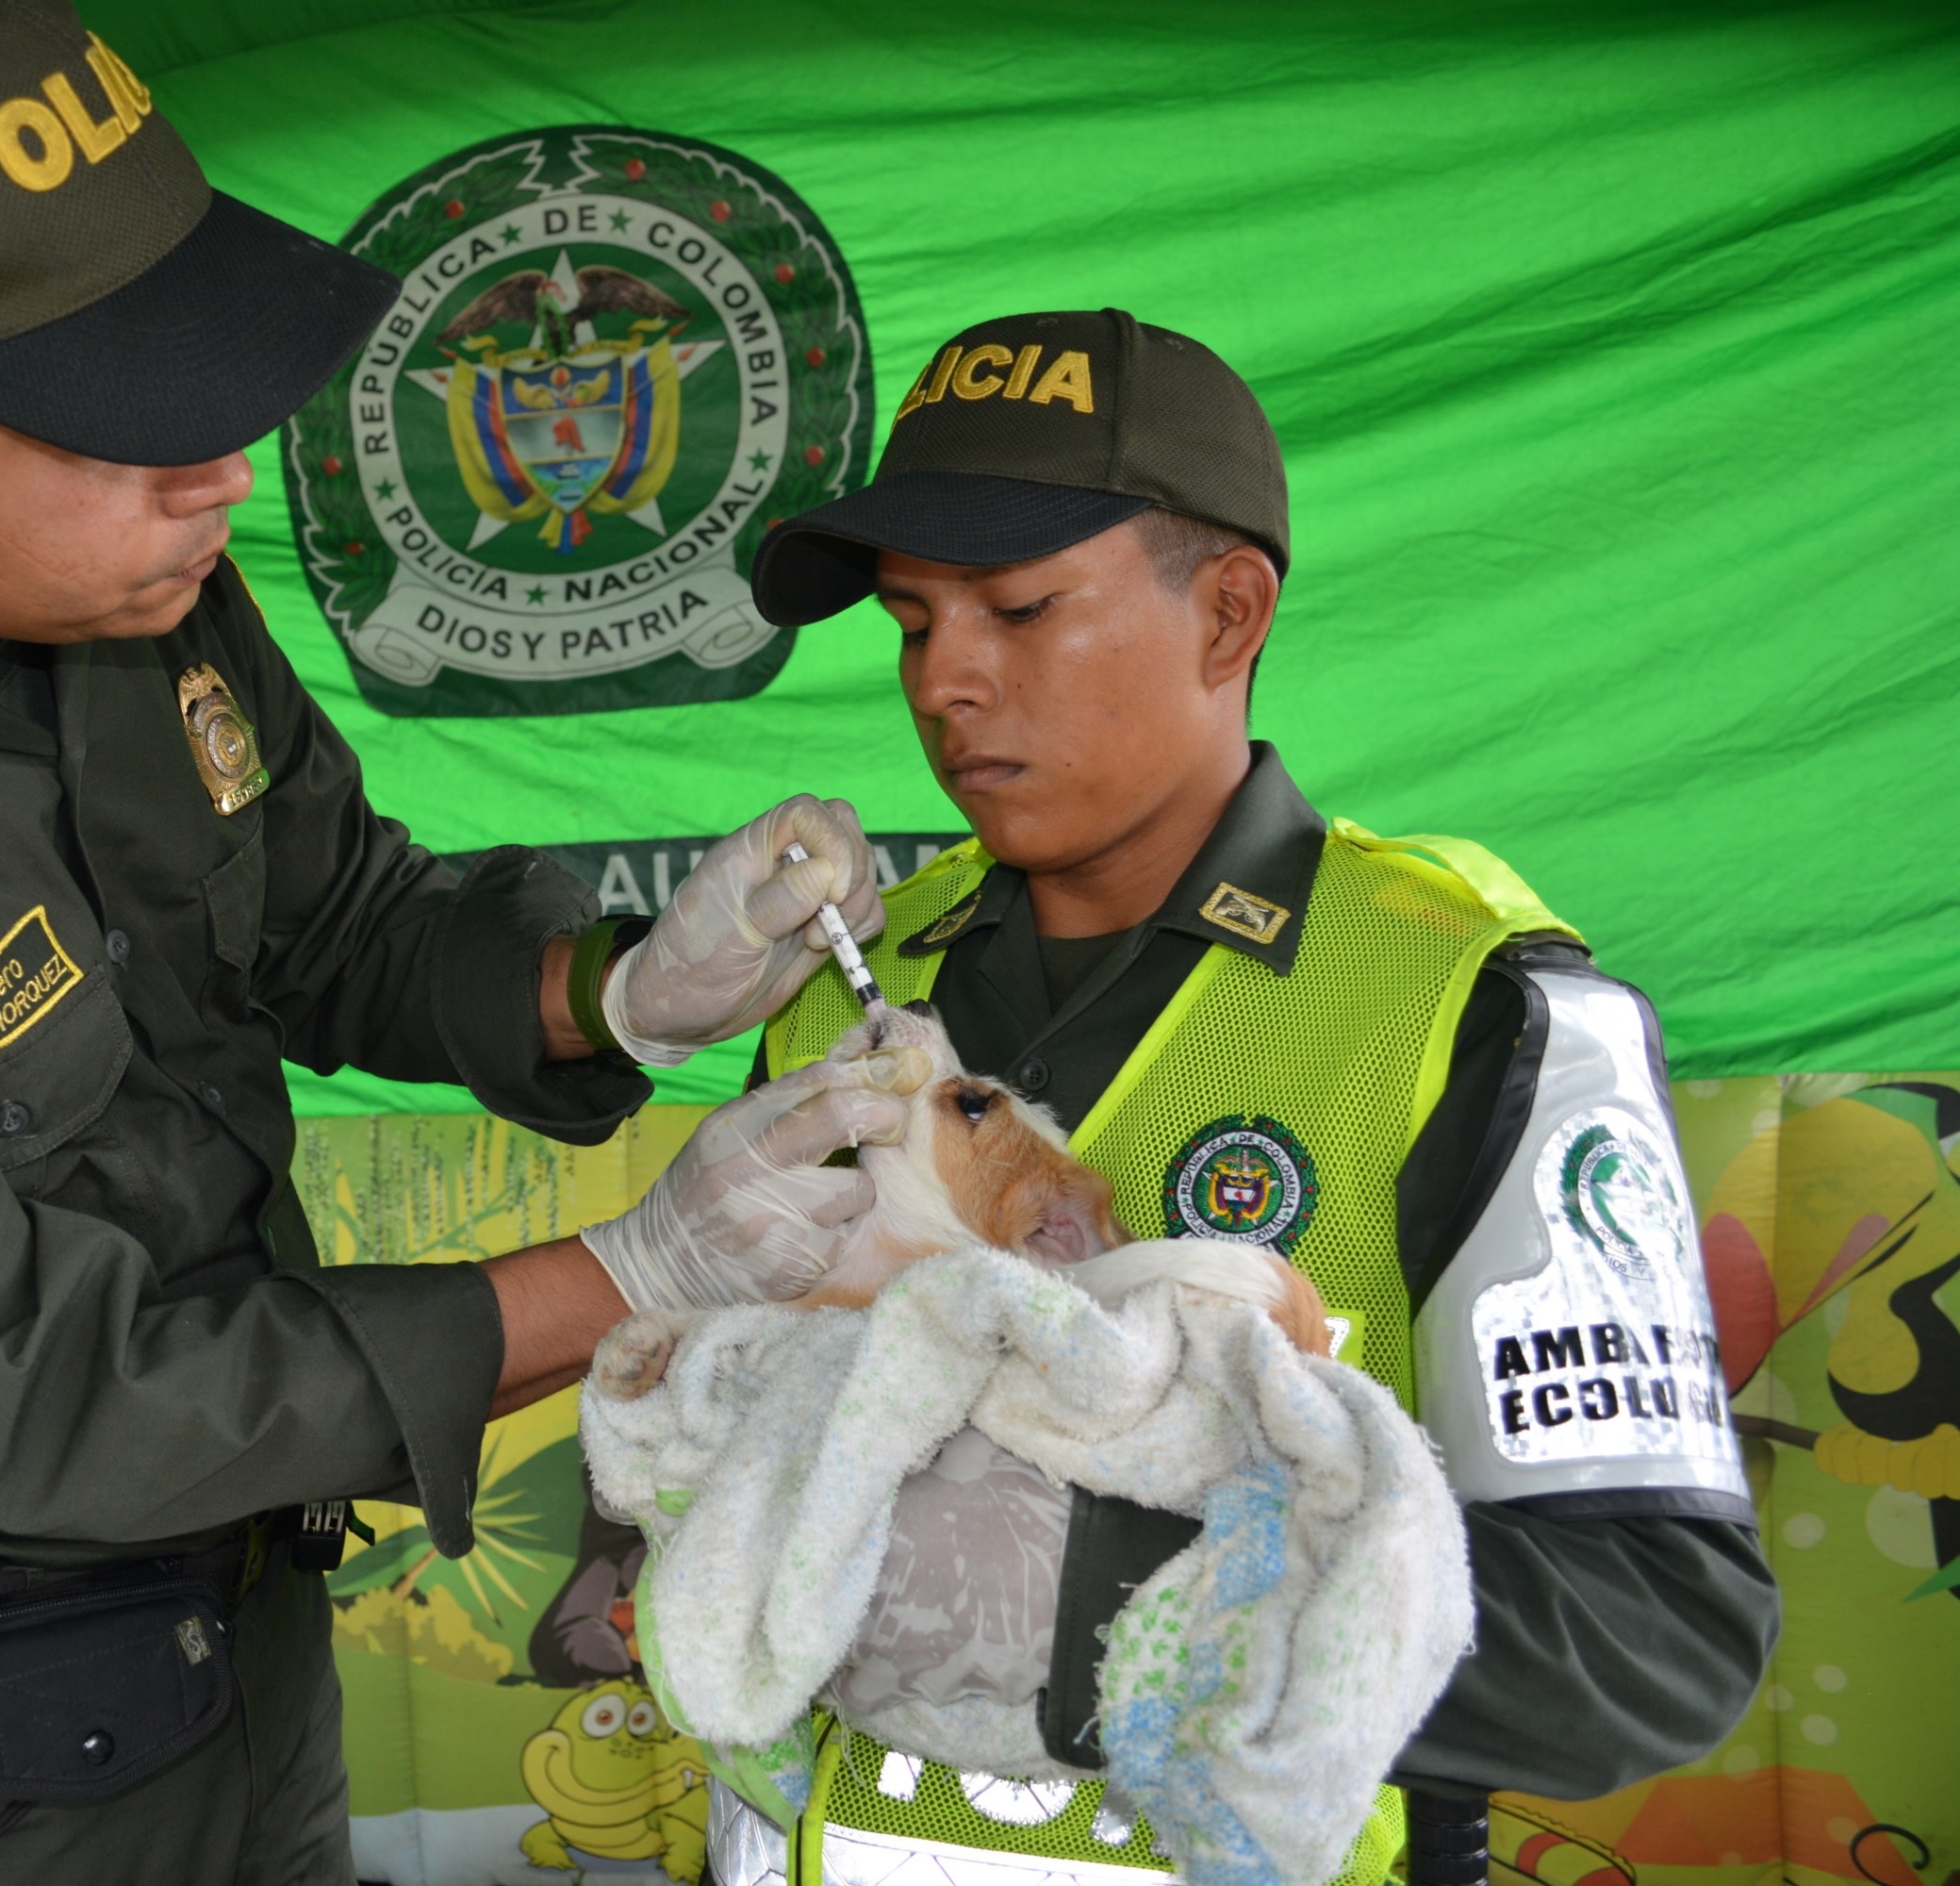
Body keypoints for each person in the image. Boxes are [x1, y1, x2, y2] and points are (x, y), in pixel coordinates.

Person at [0, 4, 914, 1879]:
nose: (222, 468)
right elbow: (56, 1388)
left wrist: (608, 981)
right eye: (124, 424)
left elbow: (331, 912)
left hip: (248, 1650)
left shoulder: (124, 590)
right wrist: (645, 1264)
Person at [706, 309, 1779, 1885]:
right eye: (912, 622)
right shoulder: (839, 995)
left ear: (1228, 612)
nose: (947, 681)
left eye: (1016, 607)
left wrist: (1100, 1614)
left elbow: (1655, 1632)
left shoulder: (1469, 1006)